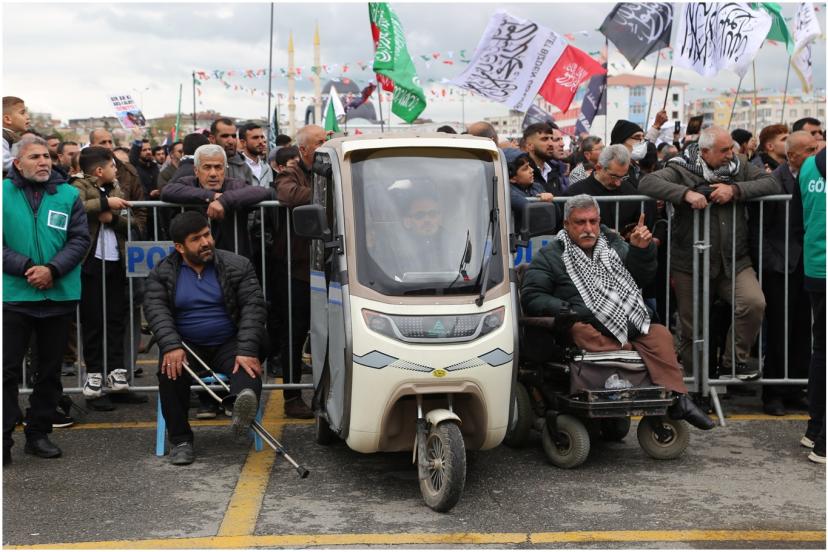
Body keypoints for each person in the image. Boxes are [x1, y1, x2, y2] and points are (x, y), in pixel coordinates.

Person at [520, 194, 714, 430]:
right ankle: (627, 351)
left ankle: (678, 397)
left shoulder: (613, 245)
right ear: (566, 224)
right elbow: (532, 295)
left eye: (593, 221)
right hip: (584, 322)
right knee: (581, 331)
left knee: (660, 334)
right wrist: (566, 309)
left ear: (599, 221)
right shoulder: (550, 255)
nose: (588, 228)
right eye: (580, 222)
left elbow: (641, 278)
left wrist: (641, 251)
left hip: (625, 320)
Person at [639, 126, 780, 381]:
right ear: (704, 152)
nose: (730, 155)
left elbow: (772, 182)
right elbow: (647, 182)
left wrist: (735, 190)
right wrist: (685, 194)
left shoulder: (740, 166)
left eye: (731, 149)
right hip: (690, 262)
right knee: (692, 326)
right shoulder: (681, 167)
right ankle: (696, 383)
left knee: (753, 303)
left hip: (734, 260)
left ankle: (732, 363)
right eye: (724, 150)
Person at [144, 211, 267, 465]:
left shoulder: (238, 265)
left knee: (247, 366)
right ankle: (181, 440)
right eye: (196, 239)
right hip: (187, 345)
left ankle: (240, 408)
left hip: (229, 341)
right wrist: (171, 345)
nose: (205, 242)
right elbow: (156, 311)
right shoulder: (162, 272)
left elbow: (253, 307)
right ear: (180, 247)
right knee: (170, 371)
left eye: (207, 234)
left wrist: (246, 349)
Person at [3, 137, 90, 464]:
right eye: (35, 157)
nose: (43, 162)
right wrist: (27, 267)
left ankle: (38, 433)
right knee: (6, 370)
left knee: (50, 371)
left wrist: (52, 270)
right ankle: (3, 436)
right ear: (17, 163)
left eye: (46, 156)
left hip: (58, 294)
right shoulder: (2, 194)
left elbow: (79, 239)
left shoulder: (68, 195)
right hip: (14, 295)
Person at [748, 131, 817, 416]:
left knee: (802, 329)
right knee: (778, 330)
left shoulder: (814, 178)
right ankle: (774, 392)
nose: (815, 154)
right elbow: (758, 229)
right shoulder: (774, 181)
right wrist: (772, 263)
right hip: (780, 267)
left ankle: (795, 389)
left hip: (807, 264)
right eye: (809, 150)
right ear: (792, 155)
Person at [71, 147, 138, 411]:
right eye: (112, 166)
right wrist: (104, 204)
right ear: (99, 170)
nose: (116, 171)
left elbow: (130, 221)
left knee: (116, 320)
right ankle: (95, 381)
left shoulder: (116, 188)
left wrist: (110, 217)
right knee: (94, 323)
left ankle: (117, 377)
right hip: (90, 263)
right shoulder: (78, 186)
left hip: (115, 262)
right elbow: (75, 207)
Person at [272, 124, 327, 419]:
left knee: (327, 332)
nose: (326, 144)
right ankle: (292, 396)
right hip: (297, 268)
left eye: (327, 138)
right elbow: (287, 194)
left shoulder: (333, 168)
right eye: (320, 141)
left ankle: (328, 392)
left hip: (329, 265)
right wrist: (329, 194)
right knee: (294, 333)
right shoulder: (290, 172)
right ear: (304, 149)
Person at [162, 144, 274, 260]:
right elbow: (167, 191)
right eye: (207, 167)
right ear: (196, 170)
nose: (213, 174)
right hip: (196, 260)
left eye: (218, 167)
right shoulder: (188, 183)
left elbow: (262, 192)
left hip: (232, 260)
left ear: (225, 170)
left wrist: (224, 201)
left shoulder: (234, 185)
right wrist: (211, 196)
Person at [795, 146, 825, 463]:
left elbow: (798, 216)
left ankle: (815, 429)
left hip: (816, 267)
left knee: (821, 351)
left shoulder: (808, 166)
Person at [507, 151, 553, 230]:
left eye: (530, 166)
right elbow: (538, 215)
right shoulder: (509, 192)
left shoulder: (537, 186)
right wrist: (545, 203)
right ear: (512, 178)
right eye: (525, 169)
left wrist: (552, 201)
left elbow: (556, 216)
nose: (532, 170)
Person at [522, 122, 568, 195]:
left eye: (551, 139)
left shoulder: (553, 170)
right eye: (545, 139)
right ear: (530, 146)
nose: (551, 143)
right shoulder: (522, 173)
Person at [209, 118, 254, 186]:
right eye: (225, 136)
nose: (231, 141)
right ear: (212, 139)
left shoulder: (245, 168)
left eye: (234, 136)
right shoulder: (202, 165)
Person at [238, 123, 273, 188]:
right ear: (243, 142)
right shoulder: (236, 167)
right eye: (255, 138)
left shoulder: (267, 167)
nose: (261, 141)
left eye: (262, 137)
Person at [3, 96, 30, 176]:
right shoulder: (2, 137)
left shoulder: (10, 136)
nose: (28, 117)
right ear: (7, 119)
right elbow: (3, 162)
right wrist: (29, 164)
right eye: (22, 113)